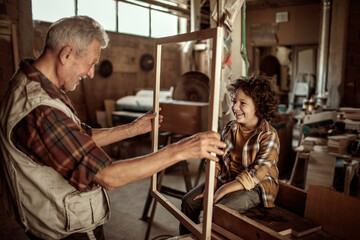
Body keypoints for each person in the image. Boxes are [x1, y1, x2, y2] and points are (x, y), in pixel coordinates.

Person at [0, 16, 226, 240]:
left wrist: (133, 129)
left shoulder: (31, 82)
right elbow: (108, 176)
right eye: (91, 62)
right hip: (65, 232)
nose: (91, 73)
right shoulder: (40, 109)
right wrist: (182, 149)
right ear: (67, 54)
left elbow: (80, 137)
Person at [180, 75, 280, 235]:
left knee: (217, 210)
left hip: (254, 188)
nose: (235, 107)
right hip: (227, 179)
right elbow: (216, 159)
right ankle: (185, 238)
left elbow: (256, 175)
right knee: (188, 201)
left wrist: (221, 191)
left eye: (243, 103)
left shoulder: (269, 135)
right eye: (234, 101)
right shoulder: (229, 128)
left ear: (259, 107)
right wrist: (210, 185)